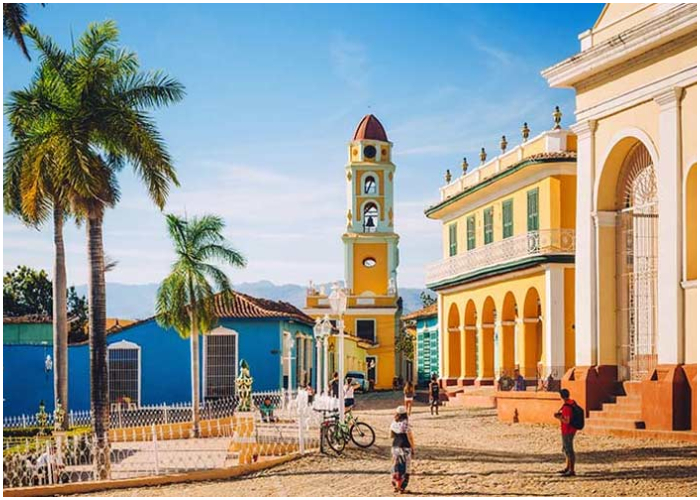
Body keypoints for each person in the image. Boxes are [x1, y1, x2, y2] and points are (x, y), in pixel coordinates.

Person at [390, 405, 415, 493]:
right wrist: (413, 447)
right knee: (405, 467)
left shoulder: (393, 423)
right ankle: (402, 487)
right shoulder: (406, 424)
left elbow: (391, 435)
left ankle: (396, 486)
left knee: (396, 466)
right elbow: (410, 437)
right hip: (405, 447)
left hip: (395, 446)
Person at [554, 388, 577, 477]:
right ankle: (568, 467)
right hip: (571, 429)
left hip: (567, 430)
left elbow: (566, 421)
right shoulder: (572, 403)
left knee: (569, 449)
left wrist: (559, 417)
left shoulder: (567, 407)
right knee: (566, 448)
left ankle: (571, 470)